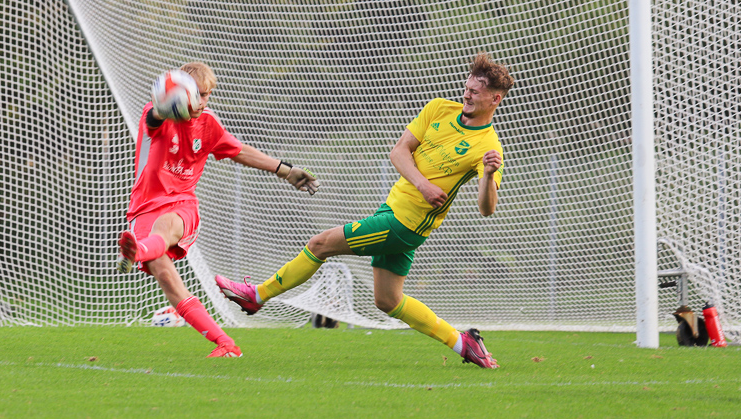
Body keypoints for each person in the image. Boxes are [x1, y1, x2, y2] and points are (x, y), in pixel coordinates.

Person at [215, 53, 514, 368]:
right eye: (466, 88)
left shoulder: (488, 146)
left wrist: (489, 175)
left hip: (404, 225)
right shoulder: (439, 108)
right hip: (391, 211)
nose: (466, 95)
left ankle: (256, 296)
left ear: (495, 99)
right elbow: (398, 152)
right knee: (388, 300)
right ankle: (463, 344)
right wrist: (423, 185)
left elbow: (487, 208)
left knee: (320, 244)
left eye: (475, 92)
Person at [119, 62, 319, 358]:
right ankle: (226, 344)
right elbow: (153, 118)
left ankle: (137, 251)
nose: (202, 102)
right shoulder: (159, 112)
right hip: (143, 209)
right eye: (197, 95)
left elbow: (239, 150)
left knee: (165, 227)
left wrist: (285, 170)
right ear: (180, 94)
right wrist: (167, 105)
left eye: (206, 95)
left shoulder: (207, 123)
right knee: (167, 278)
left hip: (182, 205)